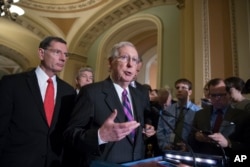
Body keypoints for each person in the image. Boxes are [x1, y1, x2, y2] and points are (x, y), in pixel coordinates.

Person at [63, 41, 155, 166]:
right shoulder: (91, 92)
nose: (130, 64)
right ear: (110, 62)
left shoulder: (139, 95)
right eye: (124, 58)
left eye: (134, 60)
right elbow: (70, 134)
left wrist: (145, 131)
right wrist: (99, 135)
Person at [0, 36, 76, 167]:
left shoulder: (69, 91)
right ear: (41, 53)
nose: (63, 58)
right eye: (57, 52)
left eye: (66, 54)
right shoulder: (12, 83)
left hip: (53, 163)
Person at [189, 78, 250, 166]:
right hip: (204, 162)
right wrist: (196, 137)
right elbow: (189, 139)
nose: (217, 98)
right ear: (209, 95)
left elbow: (247, 146)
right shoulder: (200, 114)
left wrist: (228, 143)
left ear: (228, 94)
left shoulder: (243, 116)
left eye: (221, 95)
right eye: (213, 95)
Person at [157, 78, 201, 152]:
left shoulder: (198, 111)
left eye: (183, 88)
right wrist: (164, 145)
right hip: (169, 149)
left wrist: (189, 146)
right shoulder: (167, 111)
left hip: (189, 151)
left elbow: (199, 134)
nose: (179, 90)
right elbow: (160, 130)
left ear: (190, 92)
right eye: (177, 88)